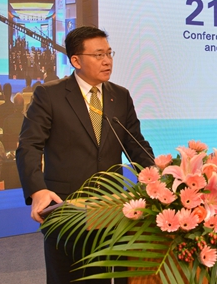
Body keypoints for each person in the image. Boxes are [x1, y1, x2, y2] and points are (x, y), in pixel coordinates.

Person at [16, 26, 155, 284]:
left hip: (113, 207)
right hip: (69, 208)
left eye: (109, 53)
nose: (107, 61)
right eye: (99, 55)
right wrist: (37, 190)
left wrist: (158, 180)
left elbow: (136, 145)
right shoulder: (50, 95)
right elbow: (29, 146)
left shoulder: (120, 96)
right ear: (76, 61)